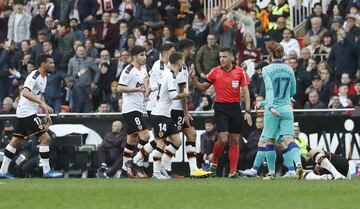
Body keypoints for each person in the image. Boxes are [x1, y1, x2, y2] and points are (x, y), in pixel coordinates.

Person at [190, 47, 252, 178]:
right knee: (223, 139)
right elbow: (202, 88)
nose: (222, 59)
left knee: (234, 140)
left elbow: (246, 92)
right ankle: (213, 163)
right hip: (220, 108)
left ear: (231, 57)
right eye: (220, 57)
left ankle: (232, 172)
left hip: (235, 108)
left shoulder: (240, 72)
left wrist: (247, 110)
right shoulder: (215, 71)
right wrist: (194, 79)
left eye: (224, 57)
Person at [0, 54, 63, 179]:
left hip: (25, 112)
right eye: (50, 63)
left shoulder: (44, 78)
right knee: (46, 139)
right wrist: (41, 104)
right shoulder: (34, 76)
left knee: (15, 141)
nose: (53, 65)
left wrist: (45, 111)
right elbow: (25, 92)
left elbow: (40, 95)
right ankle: (47, 171)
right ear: (43, 64)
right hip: (27, 112)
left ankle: (2, 171)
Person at [261, 43, 302, 180]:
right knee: (289, 139)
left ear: (271, 54)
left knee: (270, 141)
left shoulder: (266, 69)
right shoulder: (289, 69)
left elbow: (270, 90)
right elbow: (293, 91)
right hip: (286, 108)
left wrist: (271, 106)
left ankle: (271, 173)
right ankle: (299, 165)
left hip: (273, 109)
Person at [117, 46, 150, 178]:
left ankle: (125, 169)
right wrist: (138, 90)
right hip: (131, 108)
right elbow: (119, 88)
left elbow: (146, 83)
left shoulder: (144, 68)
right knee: (146, 136)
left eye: (145, 54)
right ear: (135, 56)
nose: (145, 57)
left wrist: (147, 92)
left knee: (132, 139)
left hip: (140, 108)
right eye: (142, 55)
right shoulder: (128, 70)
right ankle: (136, 164)